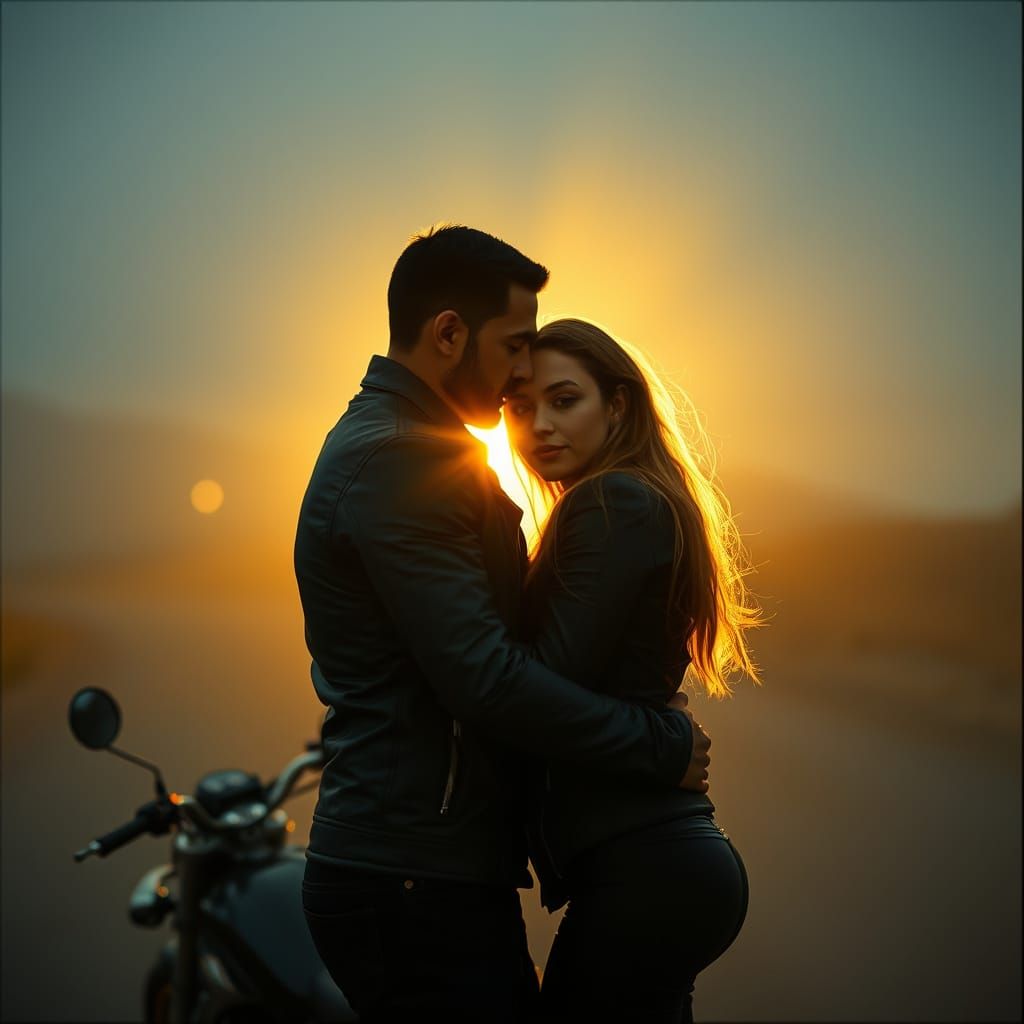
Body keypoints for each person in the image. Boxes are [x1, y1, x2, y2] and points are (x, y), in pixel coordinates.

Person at [293, 226, 712, 1023]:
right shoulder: (402, 459)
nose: (525, 367)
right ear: (449, 333)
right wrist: (655, 743)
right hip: (411, 875)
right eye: (514, 347)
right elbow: (484, 675)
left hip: (423, 868)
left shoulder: (402, 446)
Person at [503, 318, 762, 1024]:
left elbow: (539, 686)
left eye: (564, 400)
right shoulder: (634, 499)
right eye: (520, 408)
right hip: (660, 865)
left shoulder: (612, 501)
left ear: (617, 405)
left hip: (645, 867)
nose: (538, 425)